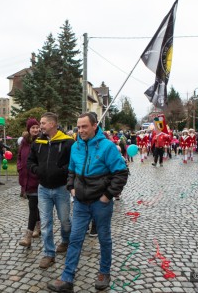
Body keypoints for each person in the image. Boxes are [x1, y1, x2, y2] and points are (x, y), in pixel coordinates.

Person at [48, 113, 129, 292]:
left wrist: (107, 195)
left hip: (101, 202)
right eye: (79, 126)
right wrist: (71, 187)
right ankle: (67, 278)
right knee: (75, 238)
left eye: (85, 126)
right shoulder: (76, 146)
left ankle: (104, 272)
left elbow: (121, 172)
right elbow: (71, 171)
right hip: (80, 203)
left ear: (94, 126)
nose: (81, 130)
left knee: (104, 238)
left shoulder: (107, 147)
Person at [27, 112, 74, 269]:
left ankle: (66, 240)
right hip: (43, 189)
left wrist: (61, 171)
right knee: (46, 223)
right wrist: (37, 170)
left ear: (53, 124)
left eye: (43, 123)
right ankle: (49, 254)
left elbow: (73, 163)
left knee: (65, 220)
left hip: (61, 189)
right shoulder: (37, 143)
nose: (41, 126)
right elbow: (30, 161)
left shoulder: (68, 142)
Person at [18, 118, 41, 247]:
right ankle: (38, 226)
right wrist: (19, 168)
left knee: (33, 206)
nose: (35, 130)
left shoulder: (42, 140)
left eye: (37, 127)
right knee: (34, 205)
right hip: (26, 178)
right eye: (33, 128)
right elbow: (20, 157)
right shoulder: (24, 142)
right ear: (28, 129)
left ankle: (28, 235)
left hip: (37, 179)